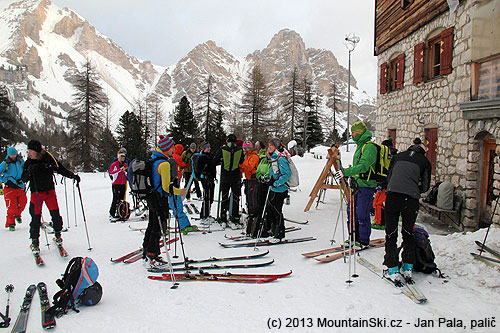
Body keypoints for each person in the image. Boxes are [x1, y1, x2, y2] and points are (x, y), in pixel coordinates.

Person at [383, 137, 431, 283]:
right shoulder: (424, 162)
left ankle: (391, 268)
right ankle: (408, 266)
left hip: (393, 196)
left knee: (391, 233)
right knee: (408, 232)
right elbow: (425, 186)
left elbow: (389, 177)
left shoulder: (397, 157)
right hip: (410, 199)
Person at [21, 140, 80, 253]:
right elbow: (23, 178)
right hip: (36, 194)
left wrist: (73, 176)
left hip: (49, 193)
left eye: (30, 150)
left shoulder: (48, 158)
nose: (29, 153)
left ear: (37, 150)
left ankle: (58, 235)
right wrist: (29, 172)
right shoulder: (28, 162)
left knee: (56, 215)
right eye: (28, 151)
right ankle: (35, 242)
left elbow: (60, 169)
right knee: (35, 218)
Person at [334, 121, 377, 249]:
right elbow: (358, 167)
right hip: (357, 185)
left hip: (366, 185)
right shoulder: (360, 145)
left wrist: (346, 172)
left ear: (360, 132)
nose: (352, 135)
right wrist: (351, 175)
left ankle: (363, 240)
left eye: (354, 132)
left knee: (362, 213)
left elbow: (363, 166)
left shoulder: (369, 147)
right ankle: (353, 237)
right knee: (351, 211)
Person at [213, 134, 244, 228]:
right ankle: (234, 218)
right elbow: (241, 161)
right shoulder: (239, 150)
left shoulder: (222, 149)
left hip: (225, 176)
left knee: (224, 197)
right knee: (235, 197)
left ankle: (223, 218)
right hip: (235, 176)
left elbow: (215, 161)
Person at [266, 138, 291, 243]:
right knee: (271, 210)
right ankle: (273, 231)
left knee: (277, 211)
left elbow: (287, 174)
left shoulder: (281, 159)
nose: (269, 147)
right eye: (268, 145)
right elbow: (274, 173)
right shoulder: (274, 158)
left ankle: (280, 234)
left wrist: (275, 183)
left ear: (276, 147)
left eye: (271, 145)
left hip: (280, 190)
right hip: (274, 188)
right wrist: (269, 180)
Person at [372, 138, 398, 230]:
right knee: (381, 203)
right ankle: (382, 221)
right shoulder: (395, 157)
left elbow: (386, 171)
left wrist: (381, 183)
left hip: (385, 184)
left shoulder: (386, 156)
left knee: (378, 203)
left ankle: (380, 222)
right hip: (390, 184)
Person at [0, 147, 27, 231]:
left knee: (23, 202)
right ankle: (11, 223)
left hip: (20, 186)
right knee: (12, 206)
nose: (13, 156)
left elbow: (26, 169)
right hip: (10, 187)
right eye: (11, 154)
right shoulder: (5, 164)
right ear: (9, 155)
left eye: (14, 154)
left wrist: (25, 179)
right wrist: (5, 181)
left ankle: (17, 214)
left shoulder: (21, 161)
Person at [239, 141, 260, 229]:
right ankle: (250, 214)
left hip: (253, 180)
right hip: (248, 179)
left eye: (247, 148)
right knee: (248, 196)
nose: (245, 150)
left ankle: (254, 216)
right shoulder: (247, 156)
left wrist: (240, 165)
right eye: (244, 148)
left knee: (252, 199)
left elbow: (249, 167)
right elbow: (245, 168)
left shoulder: (254, 156)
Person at [196, 142, 216, 223]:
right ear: (204, 148)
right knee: (208, 197)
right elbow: (211, 164)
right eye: (208, 147)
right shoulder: (203, 157)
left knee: (209, 197)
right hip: (206, 179)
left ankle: (206, 214)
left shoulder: (207, 156)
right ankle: (204, 216)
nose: (209, 148)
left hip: (209, 179)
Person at [108, 151, 128, 222]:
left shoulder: (125, 164)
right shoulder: (114, 164)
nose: (122, 159)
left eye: (123, 158)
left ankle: (120, 213)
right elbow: (111, 172)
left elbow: (127, 172)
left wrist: (125, 170)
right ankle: (111, 213)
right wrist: (119, 170)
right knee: (115, 198)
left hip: (123, 183)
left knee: (121, 199)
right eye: (121, 157)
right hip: (116, 183)